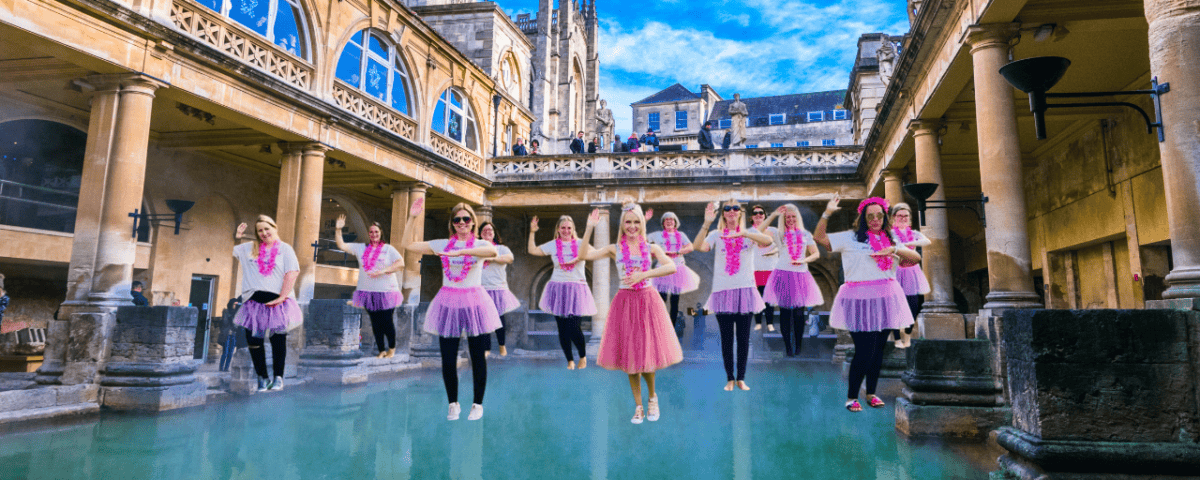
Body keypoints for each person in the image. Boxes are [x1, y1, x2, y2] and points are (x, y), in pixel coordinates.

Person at [579, 202, 683, 424]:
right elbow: (583, 254)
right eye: (628, 222)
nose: (633, 226)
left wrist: (644, 274)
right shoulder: (613, 249)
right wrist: (590, 227)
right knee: (630, 358)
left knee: (647, 356)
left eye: (637, 222)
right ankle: (638, 406)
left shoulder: (651, 247)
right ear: (622, 224)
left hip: (647, 301)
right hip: (624, 303)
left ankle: (652, 397)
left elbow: (672, 266)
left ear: (642, 224)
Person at [813, 195, 918, 412]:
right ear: (863, 218)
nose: (875, 219)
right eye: (870, 216)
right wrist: (827, 213)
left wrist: (894, 250)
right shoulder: (850, 237)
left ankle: (871, 392)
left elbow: (915, 258)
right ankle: (852, 396)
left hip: (886, 298)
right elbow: (819, 237)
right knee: (864, 350)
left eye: (879, 215)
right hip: (858, 298)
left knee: (878, 350)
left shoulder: (891, 239)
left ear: (884, 217)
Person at [405, 199, 501, 421]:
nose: (461, 222)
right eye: (457, 219)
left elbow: (492, 254)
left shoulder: (481, 245)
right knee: (448, 358)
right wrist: (411, 217)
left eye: (466, 219)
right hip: (448, 301)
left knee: (477, 357)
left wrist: (459, 254)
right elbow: (408, 245)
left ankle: (477, 404)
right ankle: (453, 403)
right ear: (452, 223)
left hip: (474, 301)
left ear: (473, 223)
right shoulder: (442, 244)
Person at [693, 200, 773, 391]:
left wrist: (746, 233)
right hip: (722, 292)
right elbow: (698, 246)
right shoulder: (716, 235)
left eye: (735, 208)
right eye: (727, 208)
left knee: (744, 338)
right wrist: (706, 223)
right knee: (727, 338)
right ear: (723, 214)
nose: (731, 211)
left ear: (740, 213)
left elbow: (768, 242)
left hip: (745, 291)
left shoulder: (750, 234)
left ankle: (741, 378)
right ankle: (730, 378)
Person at [232, 215, 303, 392]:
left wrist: (282, 296)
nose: (263, 233)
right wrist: (238, 236)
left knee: (277, 338)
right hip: (254, 302)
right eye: (259, 231)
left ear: (274, 228)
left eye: (266, 229)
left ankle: (278, 377)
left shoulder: (285, 249)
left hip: (276, 302)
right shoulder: (252, 248)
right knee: (253, 341)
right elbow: (235, 251)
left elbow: (292, 272)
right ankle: (262, 377)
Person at [528, 213, 597, 369]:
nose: (566, 231)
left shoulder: (580, 243)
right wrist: (533, 232)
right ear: (558, 229)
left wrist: (580, 257)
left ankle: (582, 356)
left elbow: (595, 254)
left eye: (569, 228)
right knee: (562, 328)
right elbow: (532, 250)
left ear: (573, 230)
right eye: (563, 228)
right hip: (558, 288)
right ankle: (570, 360)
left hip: (577, 288)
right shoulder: (553, 245)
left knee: (574, 326)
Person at [335, 214, 405, 359]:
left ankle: (391, 349)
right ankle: (381, 350)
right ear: (369, 234)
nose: (374, 234)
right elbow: (341, 245)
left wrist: (383, 271)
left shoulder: (388, 249)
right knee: (375, 323)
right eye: (371, 232)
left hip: (387, 291)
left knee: (387, 322)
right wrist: (338, 229)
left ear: (380, 234)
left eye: (376, 232)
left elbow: (401, 264)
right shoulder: (361, 248)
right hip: (368, 292)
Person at [761, 204, 824, 356]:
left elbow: (815, 254)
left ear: (797, 218)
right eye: (787, 217)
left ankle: (798, 346)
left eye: (793, 216)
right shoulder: (778, 233)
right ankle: (788, 347)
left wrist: (804, 260)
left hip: (801, 275)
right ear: (784, 219)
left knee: (798, 314)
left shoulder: (805, 234)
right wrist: (774, 214)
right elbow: (760, 230)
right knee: (785, 313)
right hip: (782, 275)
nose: (790, 219)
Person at [647, 211, 700, 331]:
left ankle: (671, 326)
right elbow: (643, 241)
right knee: (661, 298)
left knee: (675, 300)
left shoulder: (681, 235)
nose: (669, 221)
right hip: (663, 267)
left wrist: (678, 252)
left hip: (677, 268)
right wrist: (656, 253)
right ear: (663, 224)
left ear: (675, 223)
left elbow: (690, 247)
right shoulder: (657, 235)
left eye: (672, 220)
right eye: (667, 220)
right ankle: (659, 323)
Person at [891, 203, 931, 349]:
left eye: (906, 216)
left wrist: (911, 242)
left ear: (909, 218)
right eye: (900, 216)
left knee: (913, 304)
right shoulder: (891, 233)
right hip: (896, 270)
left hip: (911, 271)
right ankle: (896, 339)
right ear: (894, 218)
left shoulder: (914, 233)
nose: (903, 218)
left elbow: (927, 241)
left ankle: (907, 335)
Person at [479, 221, 519, 357]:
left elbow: (509, 258)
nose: (487, 232)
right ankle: (486, 348)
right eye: (484, 231)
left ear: (494, 233)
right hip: (481, 289)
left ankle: (502, 345)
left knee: (499, 319)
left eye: (490, 230)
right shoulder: (477, 249)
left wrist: (491, 256)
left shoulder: (502, 249)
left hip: (497, 288)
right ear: (480, 234)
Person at [749, 205, 779, 331]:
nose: (758, 215)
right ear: (751, 217)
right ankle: (758, 322)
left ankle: (770, 323)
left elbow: (781, 246)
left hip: (770, 268)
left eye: (761, 213)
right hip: (755, 269)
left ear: (765, 215)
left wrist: (772, 252)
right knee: (757, 296)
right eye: (755, 213)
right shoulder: (749, 232)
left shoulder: (774, 231)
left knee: (769, 298)